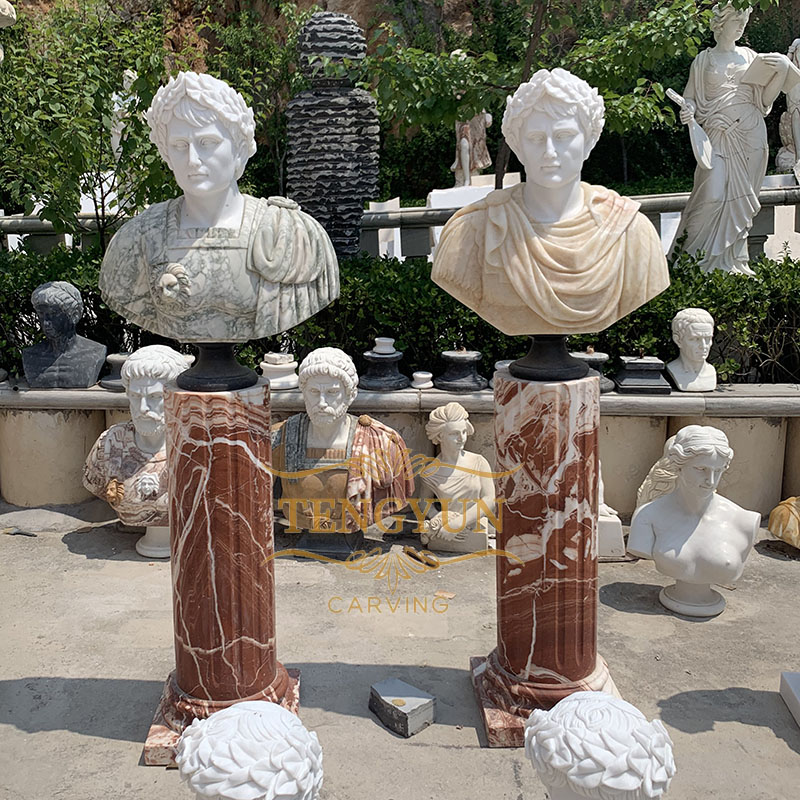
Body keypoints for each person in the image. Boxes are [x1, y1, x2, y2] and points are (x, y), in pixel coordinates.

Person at [99, 71, 338, 344]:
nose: (192, 159)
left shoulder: (292, 233)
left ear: (238, 148)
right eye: (179, 145)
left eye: (207, 143)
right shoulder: (139, 238)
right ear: (166, 154)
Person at [432, 68, 668, 337]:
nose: (550, 152)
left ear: (589, 142)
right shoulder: (471, 232)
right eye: (535, 138)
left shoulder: (632, 233)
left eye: (563, 136)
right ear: (518, 146)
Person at [671, 3, 794, 274]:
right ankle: (687, 264)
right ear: (720, 23)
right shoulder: (703, 60)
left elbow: (764, 100)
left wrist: (784, 70)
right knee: (711, 195)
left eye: (744, 21)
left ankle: (733, 265)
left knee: (741, 201)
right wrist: (688, 109)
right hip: (716, 135)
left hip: (750, 136)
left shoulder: (750, 57)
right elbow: (691, 97)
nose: (741, 26)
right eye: (736, 20)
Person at [271, 347, 414, 533]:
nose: (322, 402)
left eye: (332, 392)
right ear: (303, 393)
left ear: (350, 395)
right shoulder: (280, 438)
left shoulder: (382, 444)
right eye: (314, 392)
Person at [628, 425, 759, 616]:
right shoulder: (647, 517)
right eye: (701, 469)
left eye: (718, 470)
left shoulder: (745, 520)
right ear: (678, 466)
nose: (711, 480)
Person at [83, 345, 187, 530]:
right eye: (135, 396)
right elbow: (96, 485)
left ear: (176, 397)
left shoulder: (192, 449)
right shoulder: (109, 444)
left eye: (155, 397)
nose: (143, 407)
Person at [420, 402, 495, 552]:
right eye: (454, 433)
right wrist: (440, 520)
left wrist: (458, 523)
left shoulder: (478, 462)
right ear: (440, 436)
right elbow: (423, 502)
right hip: (445, 530)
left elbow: (490, 499)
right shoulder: (430, 473)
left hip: (474, 526)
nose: (461, 438)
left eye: (463, 432)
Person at [22, 281, 106, 388]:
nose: (46, 322)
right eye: (41, 314)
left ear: (74, 315)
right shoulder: (30, 355)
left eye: (53, 314)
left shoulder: (95, 352)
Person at [666, 307, 716, 391]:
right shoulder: (673, 369)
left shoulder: (711, 372)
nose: (703, 346)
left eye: (707, 338)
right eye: (695, 339)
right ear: (678, 340)